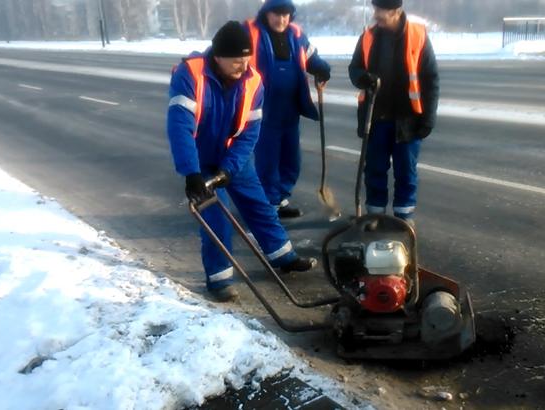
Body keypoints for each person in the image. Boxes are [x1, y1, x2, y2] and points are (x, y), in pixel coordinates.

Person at [166, 21, 317, 302]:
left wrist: (229, 168)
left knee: (259, 206)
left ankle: (283, 256)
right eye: (237, 61)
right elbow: (179, 128)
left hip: (233, 154)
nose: (243, 66)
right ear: (218, 57)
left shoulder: (253, 81)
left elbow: (250, 133)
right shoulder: (190, 74)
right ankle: (219, 279)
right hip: (200, 159)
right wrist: (191, 173)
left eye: (246, 60)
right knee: (216, 218)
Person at [348, 0, 439, 226]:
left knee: (405, 171)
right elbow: (354, 68)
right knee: (375, 169)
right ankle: (375, 215)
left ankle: (404, 217)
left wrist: (428, 118)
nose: (376, 14)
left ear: (396, 11)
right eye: (375, 9)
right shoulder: (368, 37)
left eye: (382, 10)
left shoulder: (418, 36)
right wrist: (362, 77)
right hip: (375, 116)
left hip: (407, 119)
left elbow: (431, 79)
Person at [245, 0, 331, 218]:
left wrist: (322, 70)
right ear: (266, 13)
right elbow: (223, 52)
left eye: (285, 14)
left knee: (291, 159)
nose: (281, 19)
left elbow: (311, 57)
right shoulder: (250, 32)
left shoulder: (296, 34)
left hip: (290, 107)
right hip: (263, 108)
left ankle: (279, 199)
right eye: (276, 14)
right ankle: (268, 204)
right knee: (268, 160)